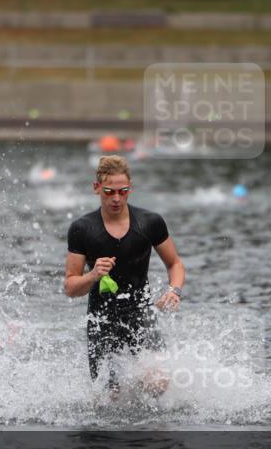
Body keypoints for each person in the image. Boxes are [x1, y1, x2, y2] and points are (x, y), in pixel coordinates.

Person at [64, 156, 185, 395]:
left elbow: (175, 264)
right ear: (96, 188)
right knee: (110, 398)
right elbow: (70, 286)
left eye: (123, 191)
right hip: (102, 322)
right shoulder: (82, 229)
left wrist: (174, 290)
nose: (116, 198)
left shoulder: (150, 222)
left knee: (157, 384)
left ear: (131, 188)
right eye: (109, 191)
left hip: (141, 315)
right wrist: (93, 276)